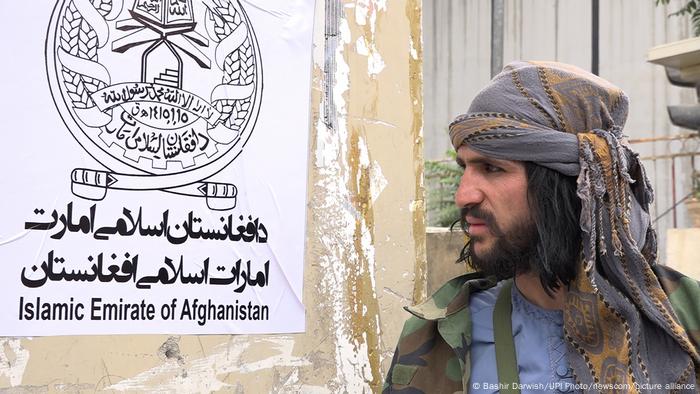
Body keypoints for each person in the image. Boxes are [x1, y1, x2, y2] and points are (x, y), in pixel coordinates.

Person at [383, 61, 700, 393]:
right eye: (465, 167)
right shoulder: (437, 337)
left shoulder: (685, 318)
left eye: (491, 168)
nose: (463, 195)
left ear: (564, 185)